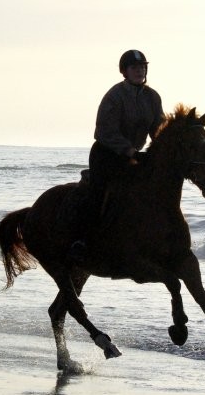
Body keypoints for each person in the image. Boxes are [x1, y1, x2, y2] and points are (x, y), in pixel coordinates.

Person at [68, 49, 165, 262]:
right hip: (106, 154)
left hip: (133, 156)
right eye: (134, 67)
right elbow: (104, 131)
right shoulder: (115, 96)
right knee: (100, 192)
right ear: (125, 71)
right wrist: (129, 150)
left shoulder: (153, 97)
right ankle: (81, 240)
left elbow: (159, 129)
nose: (139, 71)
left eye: (142, 67)